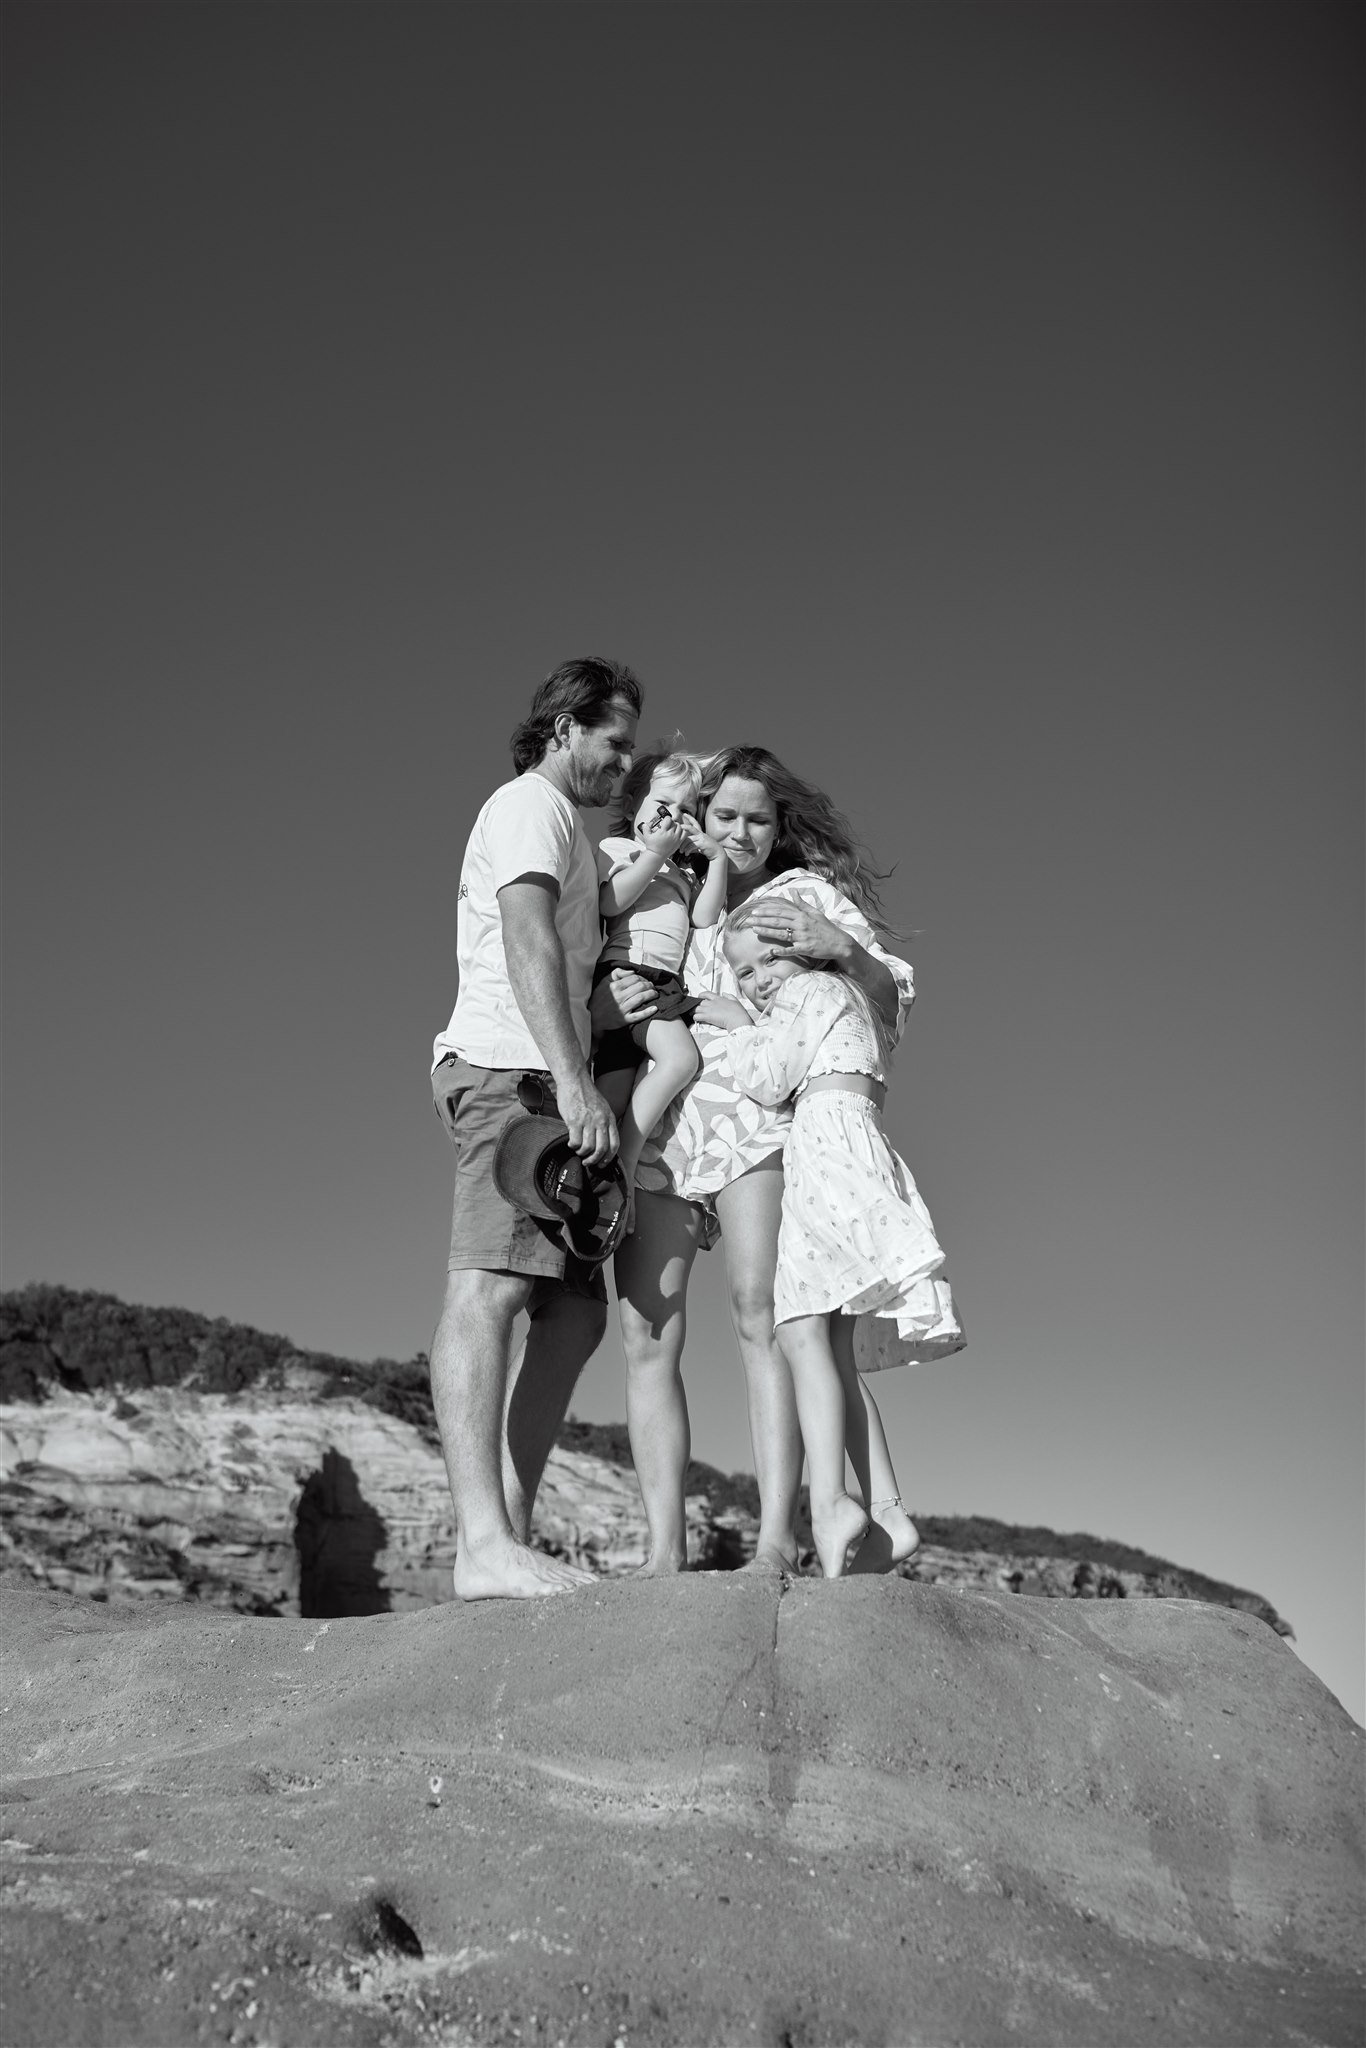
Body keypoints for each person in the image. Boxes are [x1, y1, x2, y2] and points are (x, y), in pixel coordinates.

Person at [604, 744, 917, 1577]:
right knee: (647, 1333)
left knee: (762, 1318)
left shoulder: (800, 897)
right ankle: (662, 1552)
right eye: (725, 815)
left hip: (759, 1122)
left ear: (780, 829)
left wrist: (837, 946)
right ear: (698, 821)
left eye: (757, 817)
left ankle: (777, 1538)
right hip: (665, 1129)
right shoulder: (659, 890)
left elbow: (892, 1000)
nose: (739, 830)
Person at [429, 657, 641, 1601]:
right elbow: (529, 937)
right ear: (566, 727)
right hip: (515, 1074)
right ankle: (482, 1543)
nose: (626, 762)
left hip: (551, 1082)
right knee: (492, 1287)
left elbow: (603, 913)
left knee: (577, 1311)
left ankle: (501, 1534)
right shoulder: (529, 806)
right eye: (616, 740)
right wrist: (570, 1079)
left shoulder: (577, 841)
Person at [713, 906, 963, 1578]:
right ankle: (887, 1512)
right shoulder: (851, 997)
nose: (760, 979)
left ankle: (829, 1503)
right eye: (744, 972)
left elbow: (768, 1078)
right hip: (852, 1145)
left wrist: (737, 1027)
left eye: (770, 958)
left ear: (807, 950)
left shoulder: (810, 991)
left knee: (796, 1331)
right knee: (831, 1351)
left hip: (825, 1152)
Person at [594, 752, 728, 1211]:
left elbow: (704, 919)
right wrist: (653, 854)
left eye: (686, 810)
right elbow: (611, 902)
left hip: (662, 982)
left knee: (615, 1099)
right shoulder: (618, 851)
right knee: (678, 1060)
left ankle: (606, 1189)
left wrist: (716, 858)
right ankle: (621, 1171)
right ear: (634, 806)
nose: (673, 815)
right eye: (663, 802)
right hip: (628, 974)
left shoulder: (682, 872)